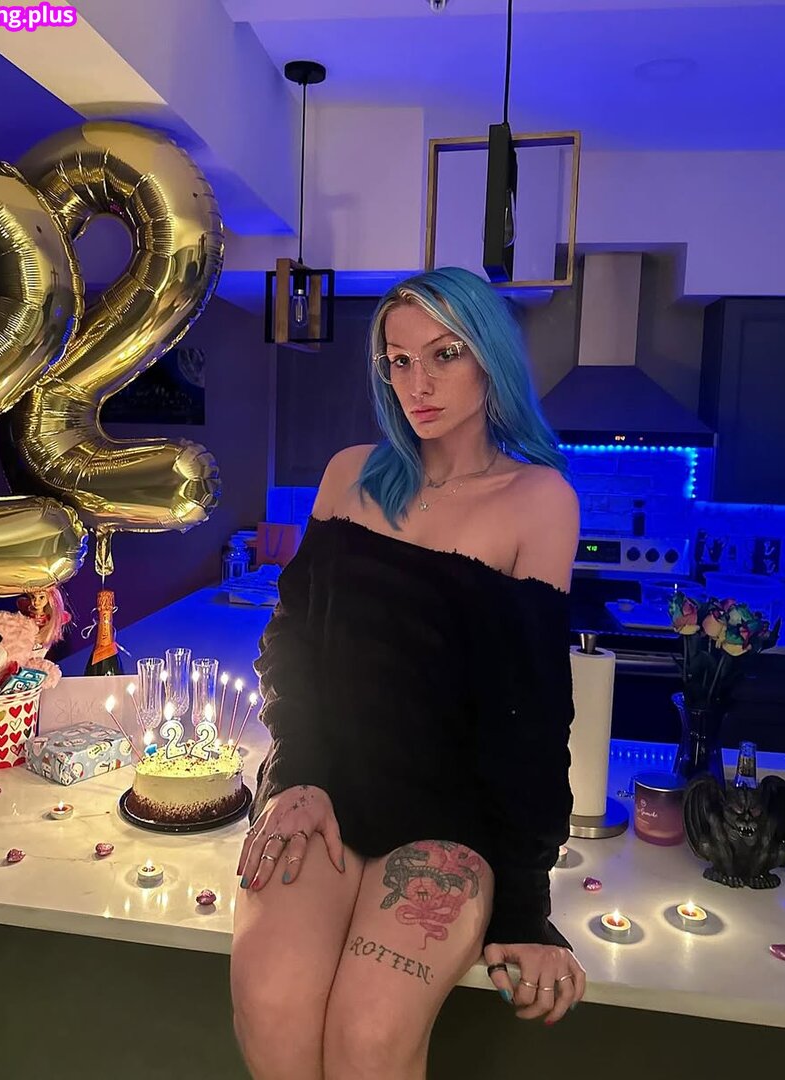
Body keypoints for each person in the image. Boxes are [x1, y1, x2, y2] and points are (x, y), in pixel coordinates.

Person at [231, 267, 585, 1080]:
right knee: (273, 1005)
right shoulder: (349, 473)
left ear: (489, 358)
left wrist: (524, 905)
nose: (416, 383)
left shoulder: (538, 500)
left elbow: (531, 716)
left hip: (448, 821)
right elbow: (292, 643)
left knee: (368, 1039)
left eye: (443, 355)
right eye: (397, 360)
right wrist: (294, 775)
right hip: (324, 788)